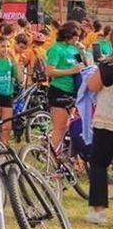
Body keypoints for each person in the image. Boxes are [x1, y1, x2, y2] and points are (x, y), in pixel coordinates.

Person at [45, 20, 86, 150]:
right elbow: (50, 71)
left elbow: (82, 66)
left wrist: (82, 52)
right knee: (60, 127)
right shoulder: (56, 49)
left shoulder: (74, 49)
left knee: (67, 126)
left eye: (78, 36)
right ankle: (51, 158)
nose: (76, 39)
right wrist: (70, 71)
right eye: (74, 36)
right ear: (66, 35)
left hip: (72, 91)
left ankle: (59, 154)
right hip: (59, 90)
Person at [85, 43, 113, 224]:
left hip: (107, 121)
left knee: (98, 164)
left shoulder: (108, 67)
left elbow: (92, 86)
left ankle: (99, 211)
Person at [0, 36, 22, 145]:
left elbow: (20, 78)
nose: (5, 49)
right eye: (2, 46)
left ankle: (4, 147)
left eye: (7, 46)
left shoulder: (10, 62)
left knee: (7, 127)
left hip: (7, 95)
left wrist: (14, 61)